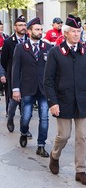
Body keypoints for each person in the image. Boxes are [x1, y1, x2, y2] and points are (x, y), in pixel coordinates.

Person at [44, 14, 86, 186]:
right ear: (66, 33)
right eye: (73, 31)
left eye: (79, 31)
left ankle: (80, 170)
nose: (77, 34)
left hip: (83, 100)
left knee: (82, 137)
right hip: (64, 100)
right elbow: (48, 80)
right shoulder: (55, 52)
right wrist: (53, 102)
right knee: (64, 135)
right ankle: (54, 155)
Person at [11, 17, 52, 157]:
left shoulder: (47, 47)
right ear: (29, 31)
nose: (40, 32)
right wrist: (15, 89)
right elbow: (15, 69)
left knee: (44, 118)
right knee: (26, 116)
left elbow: (52, 70)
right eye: (37, 29)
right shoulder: (21, 48)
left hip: (43, 89)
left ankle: (41, 145)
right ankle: (23, 132)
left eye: (41, 29)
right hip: (27, 88)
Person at [1, 15, 29, 130]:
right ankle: (10, 118)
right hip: (13, 76)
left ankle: (24, 129)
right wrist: (4, 74)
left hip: (28, 76)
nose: (23, 27)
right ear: (15, 27)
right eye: (20, 25)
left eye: (24, 25)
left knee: (26, 104)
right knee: (13, 102)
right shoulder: (8, 42)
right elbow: (3, 61)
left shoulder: (29, 39)